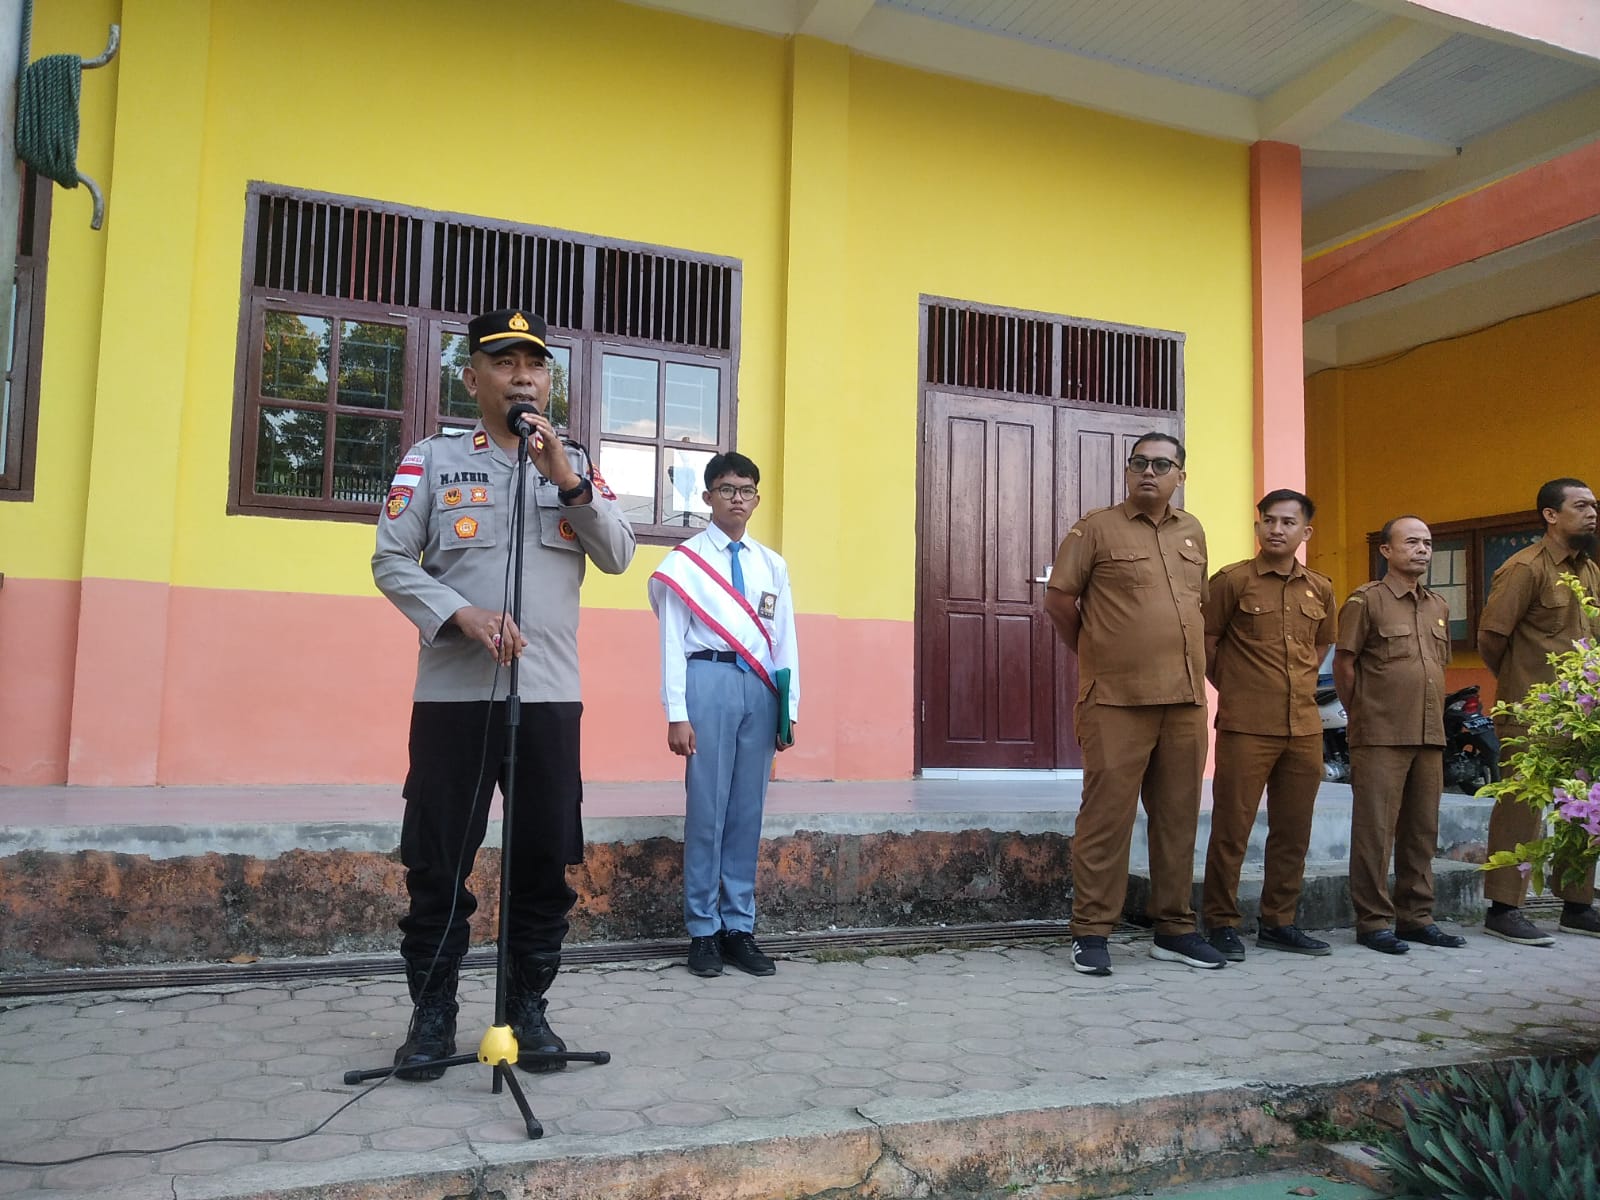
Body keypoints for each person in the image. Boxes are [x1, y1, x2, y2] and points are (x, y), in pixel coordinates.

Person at [372, 308, 636, 1079]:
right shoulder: (432, 460)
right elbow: (392, 562)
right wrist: (462, 614)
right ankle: (432, 1017)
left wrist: (569, 482)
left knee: (545, 858)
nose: (525, 377)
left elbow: (619, 554)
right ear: (472, 378)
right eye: (506, 363)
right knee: (437, 861)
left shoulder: (575, 462)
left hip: (550, 697)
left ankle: (528, 1008)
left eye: (536, 366)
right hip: (455, 699)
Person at [1044, 432, 1226, 976]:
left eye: (1161, 464)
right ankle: (1091, 931)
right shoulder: (1095, 528)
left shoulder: (1192, 531)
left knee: (1177, 818)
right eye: (1139, 463)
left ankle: (1173, 928)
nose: (1149, 472)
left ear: (1181, 475)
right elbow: (1059, 601)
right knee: (1107, 817)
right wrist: (1098, 649)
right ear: (1128, 472)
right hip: (1117, 700)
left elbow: (1199, 606)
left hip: (1187, 699)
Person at [648, 452, 799, 979]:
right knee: (707, 809)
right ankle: (703, 931)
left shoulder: (770, 564)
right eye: (728, 488)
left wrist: (789, 707)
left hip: (758, 687)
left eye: (747, 490)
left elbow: (784, 640)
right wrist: (676, 712)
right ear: (708, 496)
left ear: (757, 499)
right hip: (706, 678)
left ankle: (739, 926)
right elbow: (671, 641)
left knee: (746, 812)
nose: (739, 497)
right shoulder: (685, 562)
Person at [1201, 489, 1337, 961]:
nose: (1277, 529)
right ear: (1257, 526)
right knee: (1232, 827)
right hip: (1246, 726)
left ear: (1306, 531)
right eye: (1269, 521)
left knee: (1294, 829)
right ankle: (1219, 922)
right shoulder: (1232, 582)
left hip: (1304, 726)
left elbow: (1319, 649)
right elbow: (1208, 644)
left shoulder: (1320, 588)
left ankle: (1280, 922)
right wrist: (1240, 687)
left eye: (1287, 522)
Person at [1334, 515, 1465, 955]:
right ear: (1386, 550)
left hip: (1429, 734)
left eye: (1427, 542)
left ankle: (1416, 917)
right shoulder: (1365, 601)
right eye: (1411, 542)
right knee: (1375, 830)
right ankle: (1373, 922)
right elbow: (1345, 664)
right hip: (1380, 735)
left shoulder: (1438, 607)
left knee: (1422, 829)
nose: (1422, 549)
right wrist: (1363, 716)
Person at [1478, 477, 1600, 946]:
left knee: (1581, 804)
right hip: (1531, 711)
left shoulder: (1588, 570)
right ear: (1551, 515)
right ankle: (1505, 908)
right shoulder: (1524, 568)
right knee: (1521, 807)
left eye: (1594, 506)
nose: (1591, 513)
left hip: (1579, 715)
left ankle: (1577, 904)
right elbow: (1492, 638)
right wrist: (1520, 685)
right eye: (1581, 506)